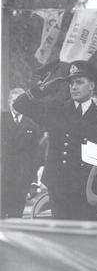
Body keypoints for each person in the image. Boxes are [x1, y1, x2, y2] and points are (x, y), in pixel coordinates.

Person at [13, 61, 97, 221]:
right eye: (71, 82)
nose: (74, 87)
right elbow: (20, 104)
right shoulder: (57, 109)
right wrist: (41, 89)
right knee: (62, 240)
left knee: (86, 242)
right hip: (60, 191)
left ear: (91, 85)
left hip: (89, 193)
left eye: (79, 82)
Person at [1, 88, 41, 218]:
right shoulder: (1, 120)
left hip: (20, 179)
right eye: (14, 100)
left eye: (20, 101)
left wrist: (33, 182)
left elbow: (35, 156)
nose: (17, 104)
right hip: (2, 176)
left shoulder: (32, 125)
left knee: (16, 216)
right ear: (9, 102)